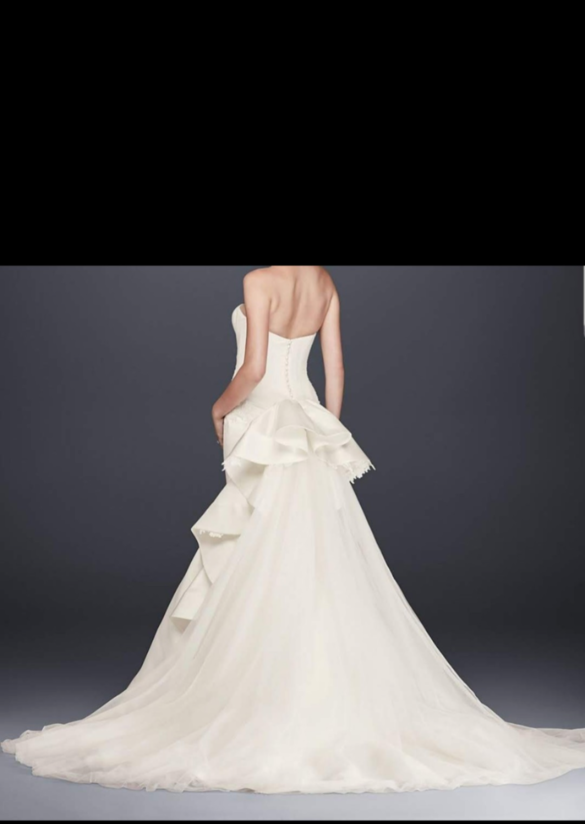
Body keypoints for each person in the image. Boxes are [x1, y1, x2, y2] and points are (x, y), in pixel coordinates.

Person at [3, 265, 585, 793]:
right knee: (313, 558)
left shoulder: (258, 281)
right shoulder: (324, 281)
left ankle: (266, 695)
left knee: (259, 549)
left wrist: (217, 408)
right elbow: (336, 369)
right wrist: (325, 431)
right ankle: (315, 691)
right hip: (305, 423)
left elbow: (255, 369)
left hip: (262, 419)